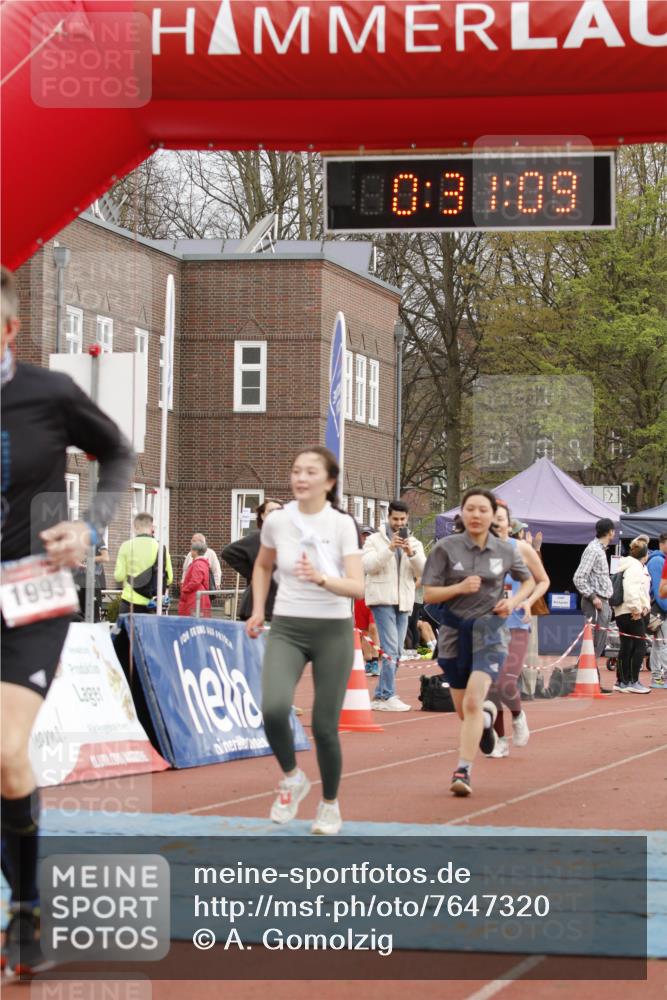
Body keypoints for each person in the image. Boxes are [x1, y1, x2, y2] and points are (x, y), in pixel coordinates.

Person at [0, 265, 134, 977]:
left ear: (10, 331)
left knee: (3, 748)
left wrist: (88, 524)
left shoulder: (48, 395)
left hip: (30, 597)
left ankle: (25, 907)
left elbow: (117, 452)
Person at [246, 446, 363, 836]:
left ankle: (330, 805)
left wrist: (322, 579)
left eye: (310, 472)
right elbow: (262, 566)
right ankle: (293, 777)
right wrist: (259, 608)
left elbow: (358, 586)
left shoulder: (341, 525)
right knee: (274, 708)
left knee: (324, 726)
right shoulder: (278, 521)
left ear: (329, 482)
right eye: (296, 470)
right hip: (288, 627)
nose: (300, 478)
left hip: (332, 630)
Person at [422, 488, 533, 797]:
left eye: (483, 510)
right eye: (470, 509)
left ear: (492, 516)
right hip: (454, 634)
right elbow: (429, 595)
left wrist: (513, 604)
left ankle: (463, 770)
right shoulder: (445, 549)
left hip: (491, 634)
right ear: (463, 513)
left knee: (472, 701)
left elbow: (529, 581)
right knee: (465, 712)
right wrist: (458, 587)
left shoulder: (507, 550)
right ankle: (485, 720)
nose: (476, 515)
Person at [486, 503, 550, 758]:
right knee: (490, 687)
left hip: (516, 625)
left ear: (508, 523)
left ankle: (518, 714)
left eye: (501, 519)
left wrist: (527, 600)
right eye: (493, 520)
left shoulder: (521, 548)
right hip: (488, 626)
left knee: (505, 682)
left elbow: (543, 580)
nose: (497, 524)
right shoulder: (479, 552)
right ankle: (499, 739)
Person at [362, 500, 426, 711]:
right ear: (388, 518)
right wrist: (390, 549)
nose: (399, 523)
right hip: (382, 599)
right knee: (390, 648)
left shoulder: (414, 542)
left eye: (402, 519)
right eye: (395, 519)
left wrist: (410, 553)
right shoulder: (374, 540)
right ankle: (387, 695)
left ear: (407, 519)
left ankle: (381, 695)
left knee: (397, 650)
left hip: (404, 601)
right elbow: (369, 566)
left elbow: (424, 571)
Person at [221, 498, 283, 621]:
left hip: (278, 607)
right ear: (263, 516)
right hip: (257, 608)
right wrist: (253, 573)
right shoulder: (258, 537)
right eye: (271, 511)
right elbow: (228, 552)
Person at [573, 517, 616, 688]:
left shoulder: (599, 549)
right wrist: (593, 597)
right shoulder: (593, 550)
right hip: (595, 602)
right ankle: (582, 679)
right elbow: (579, 577)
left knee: (598, 643)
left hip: (602, 601)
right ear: (610, 531)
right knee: (593, 643)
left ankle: (590, 679)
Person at [611, 539, 652, 693]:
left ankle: (622, 681)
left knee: (627, 645)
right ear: (645, 555)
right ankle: (633, 681)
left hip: (622, 611)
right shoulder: (635, 567)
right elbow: (631, 590)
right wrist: (636, 609)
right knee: (640, 645)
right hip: (630, 611)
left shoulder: (625, 564)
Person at [114, 512, 173, 614]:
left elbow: (118, 576)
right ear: (151, 527)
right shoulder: (161, 548)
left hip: (129, 601)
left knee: (128, 630)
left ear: (135, 526)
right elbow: (169, 579)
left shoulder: (126, 546)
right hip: (152, 604)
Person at [355, 526, 381, 675]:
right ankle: (368, 661)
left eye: (368, 536)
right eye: (363, 536)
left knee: (373, 628)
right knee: (363, 631)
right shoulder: (355, 554)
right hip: (360, 596)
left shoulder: (377, 554)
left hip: (375, 596)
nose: (365, 539)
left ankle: (376, 661)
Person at [647, 533, 667, 688]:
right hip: (660, 610)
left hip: (661, 609)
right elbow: (659, 590)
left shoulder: (660, 560)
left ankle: (658, 677)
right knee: (662, 644)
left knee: (659, 644)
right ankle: (659, 677)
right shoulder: (658, 561)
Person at [72, 540, 109, 622]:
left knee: (94, 616)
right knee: (78, 616)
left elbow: (105, 558)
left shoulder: (97, 539)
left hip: (93, 580)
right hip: (78, 580)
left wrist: (87, 559)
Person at [178, 539, 212, 617]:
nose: (190, 552)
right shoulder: (202, 563)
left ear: (195, 551)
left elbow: (195, 581)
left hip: (194, 597)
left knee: (192, 618)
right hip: (196, 595)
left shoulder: (198, 564)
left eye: (191, 550)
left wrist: (185, 589)